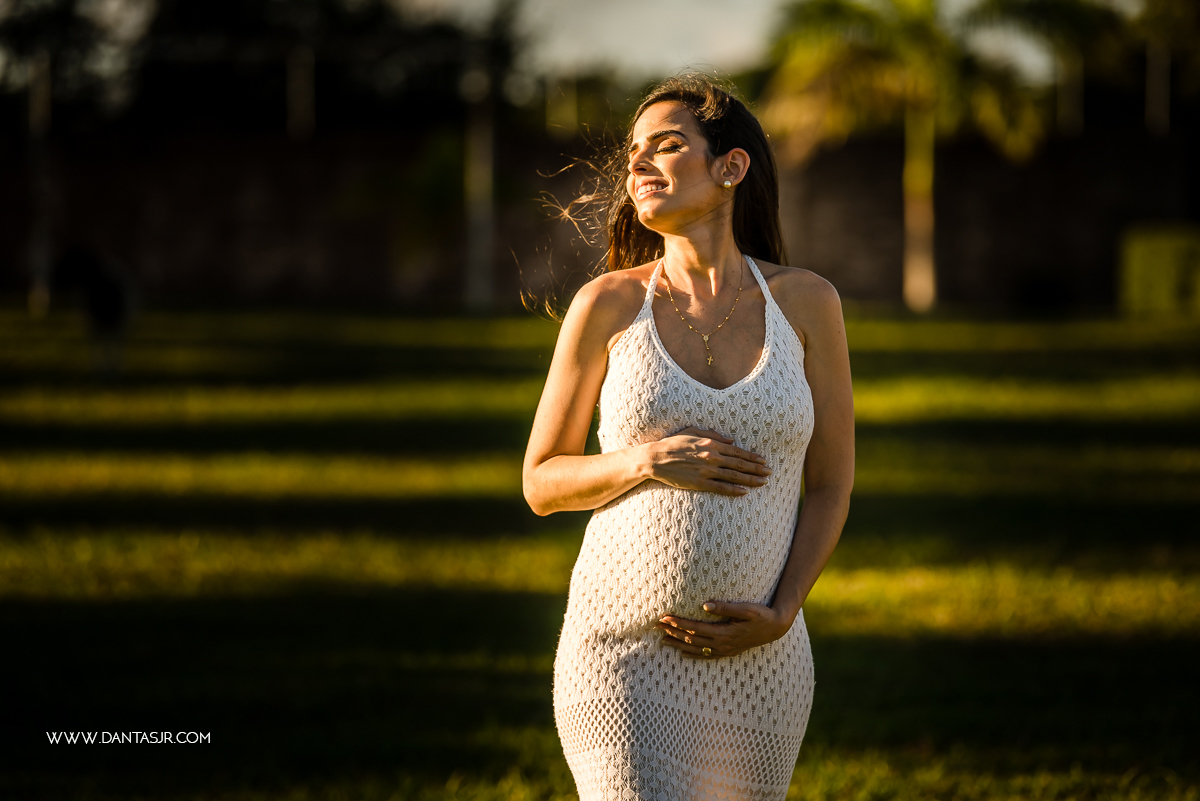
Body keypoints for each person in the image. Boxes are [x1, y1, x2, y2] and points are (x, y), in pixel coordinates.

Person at [522, 74, 854, 800]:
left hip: (761, 665)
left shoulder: (807, 303)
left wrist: (783, 611)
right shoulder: (607, 304)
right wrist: (645, 460)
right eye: (634, 151)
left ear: (730, 167)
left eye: (666, 147)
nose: (638, 165)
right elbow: (540, 480)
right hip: (622, 654)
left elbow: (831, 483)